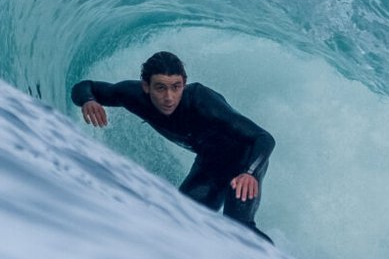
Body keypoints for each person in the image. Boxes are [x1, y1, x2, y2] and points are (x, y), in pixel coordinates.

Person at [71, 51, 275, 239]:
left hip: (244, 160)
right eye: (160, 88)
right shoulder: (133, 95)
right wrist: (88, 100)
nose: (169, 97)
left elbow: (263, 137)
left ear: (184, 84)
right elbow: (85, 86)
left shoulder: (202, 101)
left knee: (239, 229)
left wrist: (249, 172)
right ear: (146, 86)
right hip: (210, 164)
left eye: (176, 87)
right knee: (180, 221)